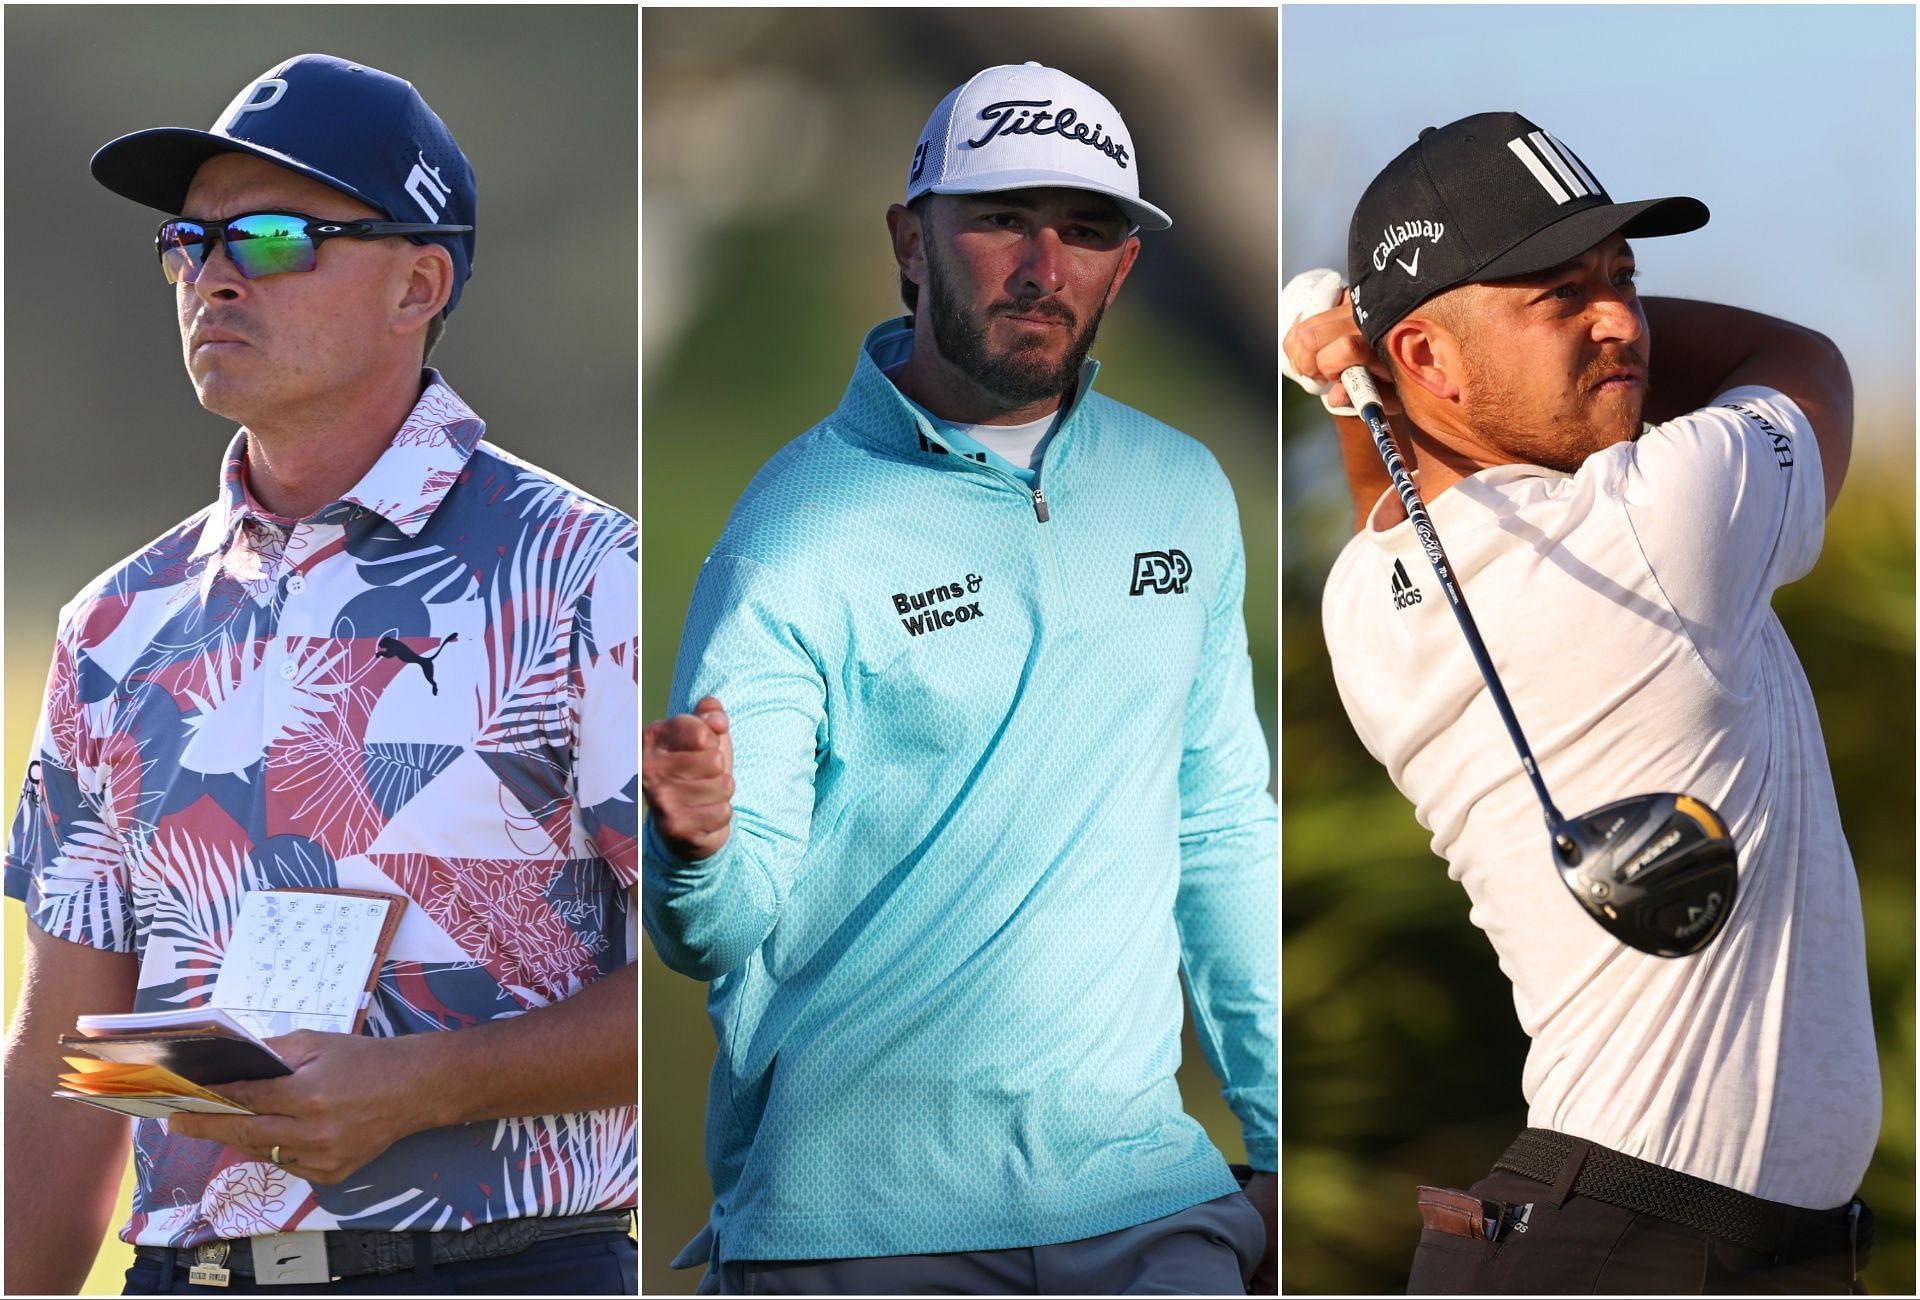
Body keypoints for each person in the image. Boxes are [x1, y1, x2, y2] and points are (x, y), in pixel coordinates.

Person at [2, 53, 639, 1295]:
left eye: (280, 237)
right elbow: (65, 1055)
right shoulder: (112, 626)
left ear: (419, 283)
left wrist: (421, 1085)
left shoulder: (589, 577)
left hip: (499, 1269)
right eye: (191, 242)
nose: (218, 274)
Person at [643, 61, 1276, 1297]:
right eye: (1000, 219)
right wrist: (701, 845)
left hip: (1148, 1204)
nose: (1045, 264)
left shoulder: (1184, 490)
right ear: (910, 242)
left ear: (1124, 266)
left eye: (1087, 231)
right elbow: (713, 931)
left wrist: (1276, 1137)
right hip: (856, 1229)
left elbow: (1221, 829)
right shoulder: (794, 530)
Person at [1282, 111, 1879, 1294]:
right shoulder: (1659, 522)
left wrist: (1368, 372)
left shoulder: (1365, 601)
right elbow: (1806, 361)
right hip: (1638, 1244)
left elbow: (1390, 503)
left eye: (1626, 279)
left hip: (1602, 1236)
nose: (1624, 322)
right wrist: (1357, 349)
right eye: (1559, 296)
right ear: (1426, 359)